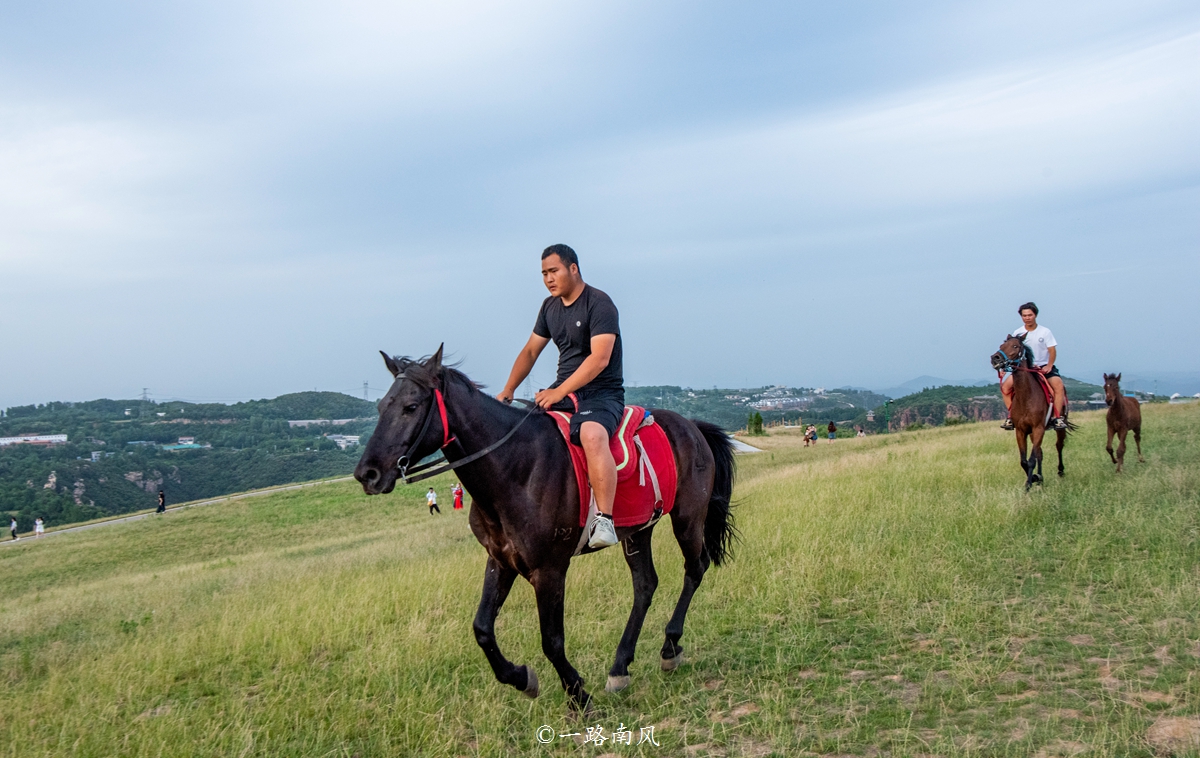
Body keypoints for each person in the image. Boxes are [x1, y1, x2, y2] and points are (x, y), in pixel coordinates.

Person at [498, 244, 625, 549]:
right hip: (563, 392)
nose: (548, 279)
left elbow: (600, 359)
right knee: (521, 431)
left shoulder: (600, 303)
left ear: (573, 268)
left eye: (553, 271)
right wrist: (509, 389)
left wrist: (558, 391)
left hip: (601, 395)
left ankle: (604, 519)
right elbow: (530, 351)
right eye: (543, 273)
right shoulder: (548, 307)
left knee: (592, 436)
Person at [1001, 301, 1067, 431]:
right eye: (1024, 315)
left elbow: (1052, 350)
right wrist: (1004, 369)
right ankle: (1011, 416)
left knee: (1059, 386)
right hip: (1024, 369)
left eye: (1030, 315)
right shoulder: (1017, 333)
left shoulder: (1045, 332)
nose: (1027, 318)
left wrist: (1049, 365)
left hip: (1043, 367)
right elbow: (1011, 353)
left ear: (1035, 315)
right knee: (1005, 387)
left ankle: (1057, 418)